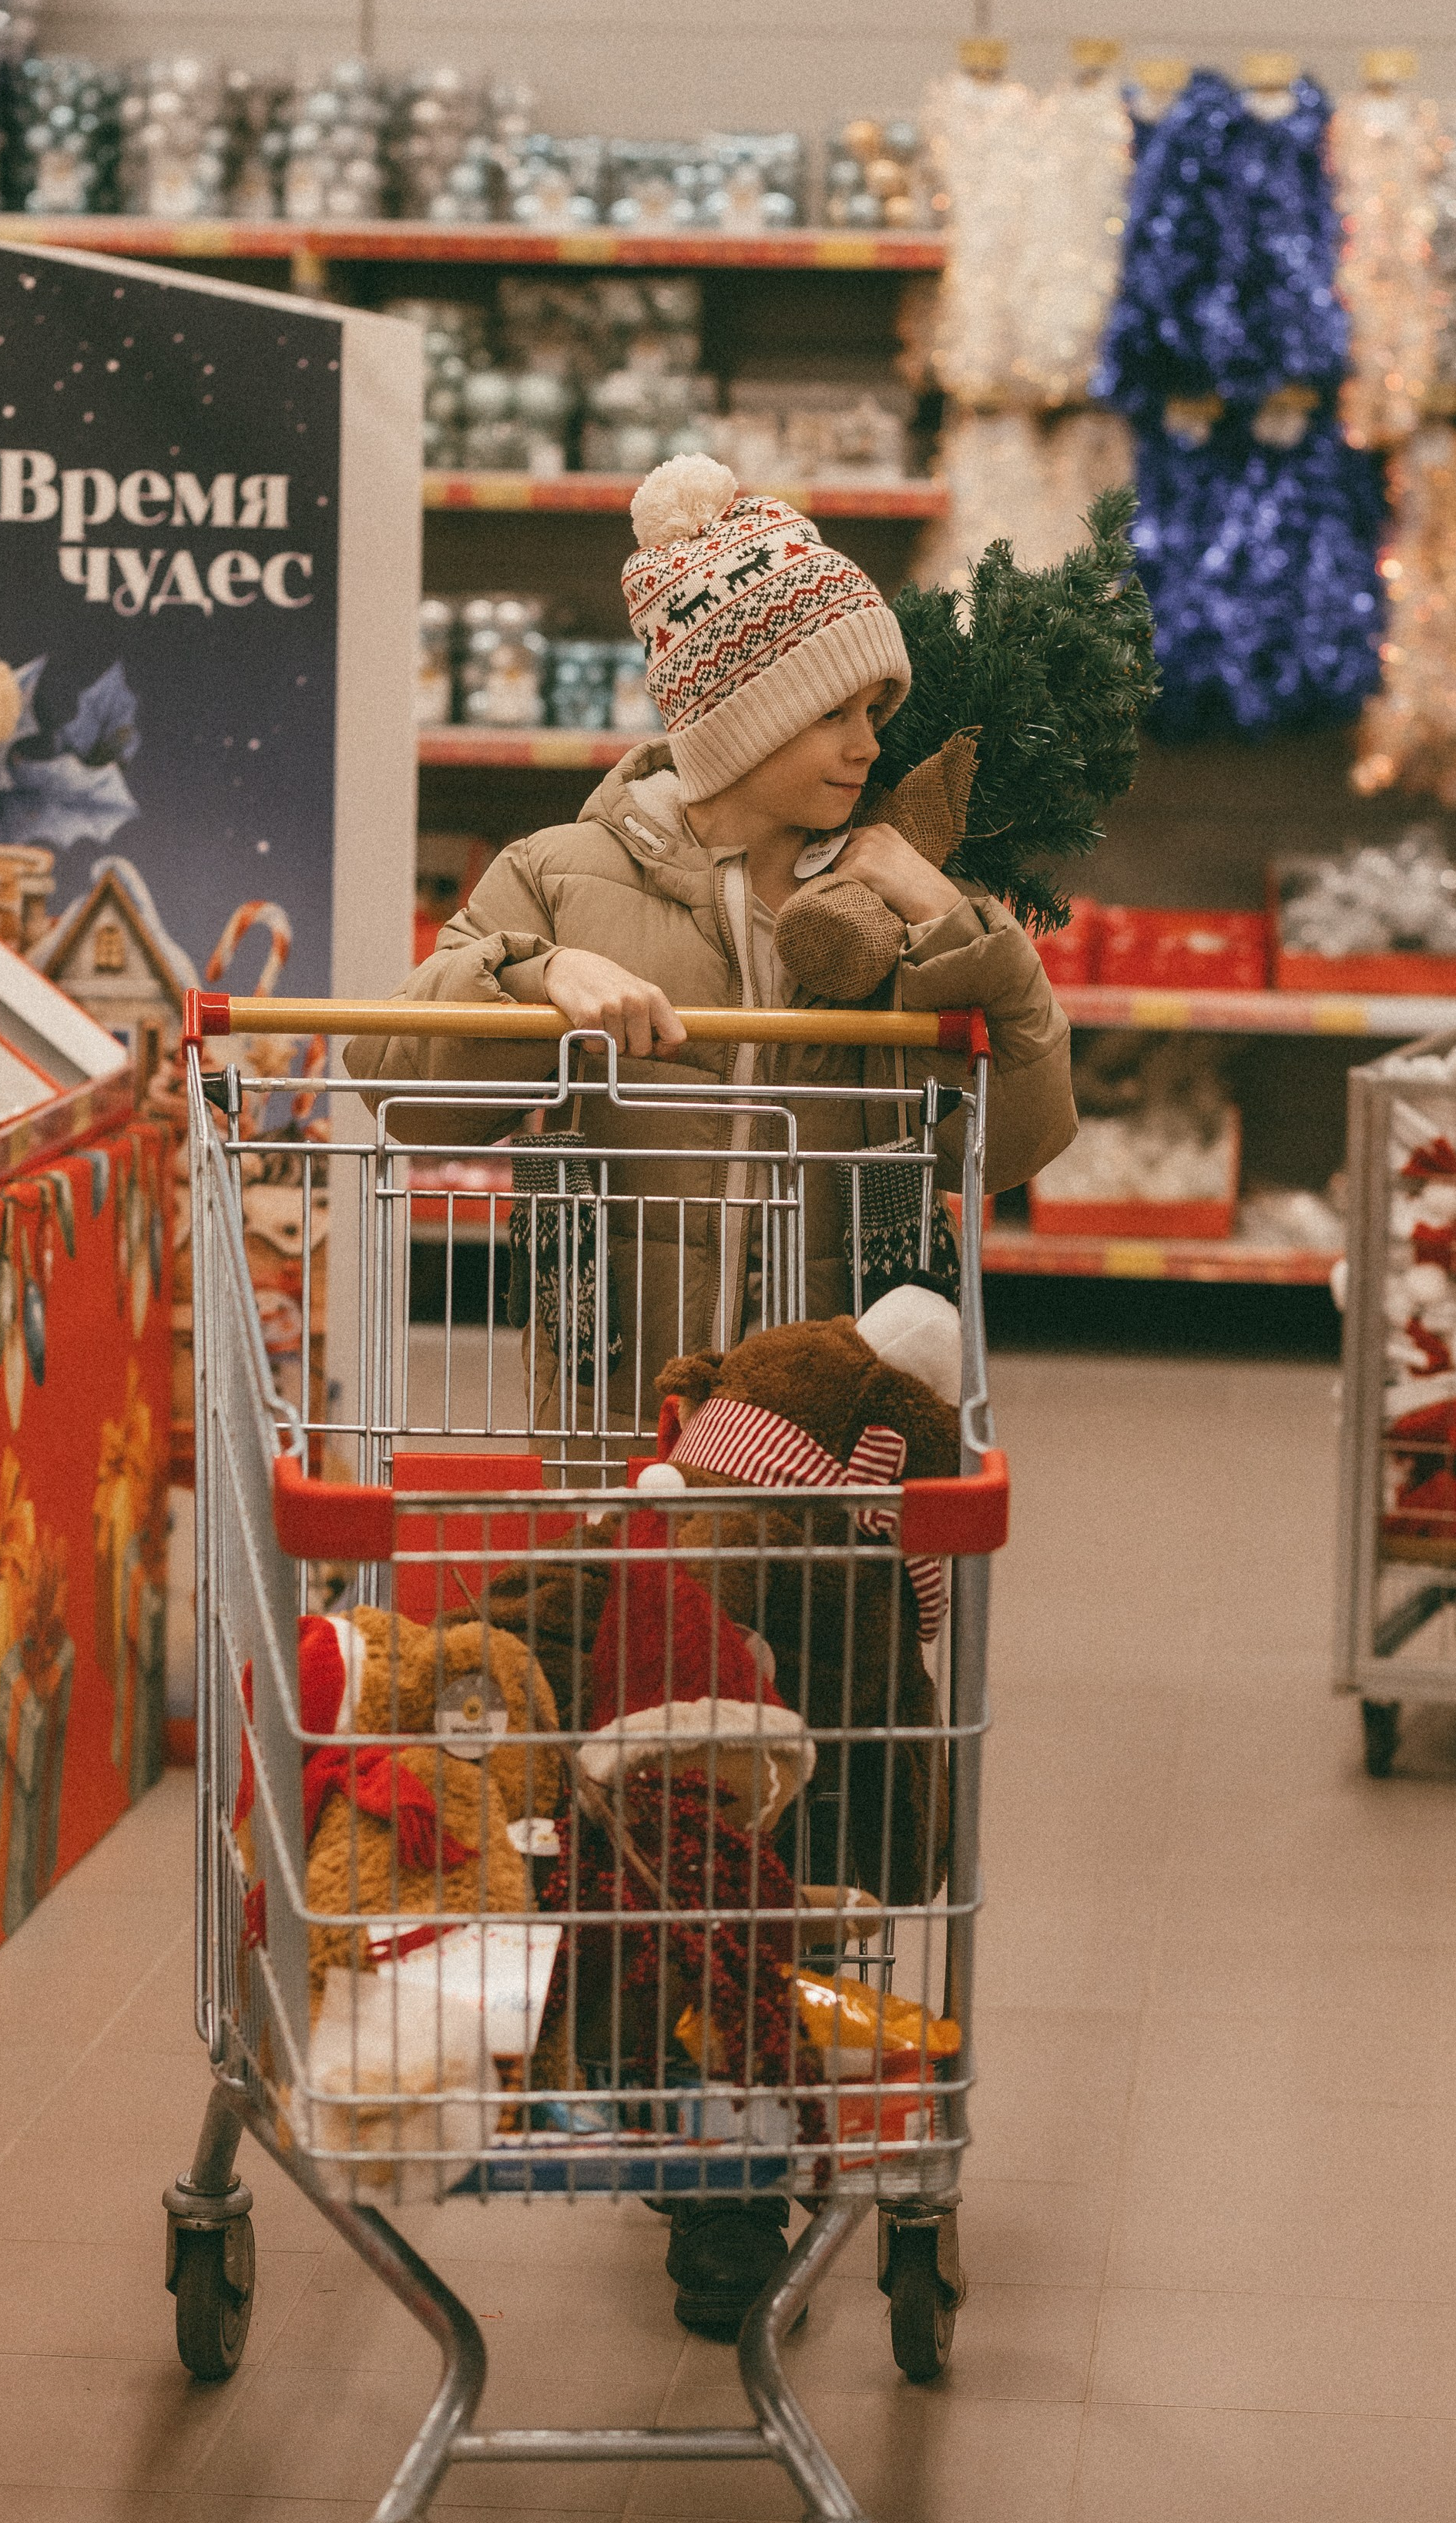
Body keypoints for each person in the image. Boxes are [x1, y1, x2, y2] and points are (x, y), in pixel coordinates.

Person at [348, 454, 1075, 2333]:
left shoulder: (894, 885)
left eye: (876, 708)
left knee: (817, 1795)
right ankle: (715, 2155)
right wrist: (536, 977)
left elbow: (1024, 1139)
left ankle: (767, 2106)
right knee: (657, 1788)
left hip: (835, 1453)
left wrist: (962, 929)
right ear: (739, 709)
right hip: (628, 1443)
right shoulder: (560, 871)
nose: (871, 740)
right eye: (841, 707)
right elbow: (399, 1085)